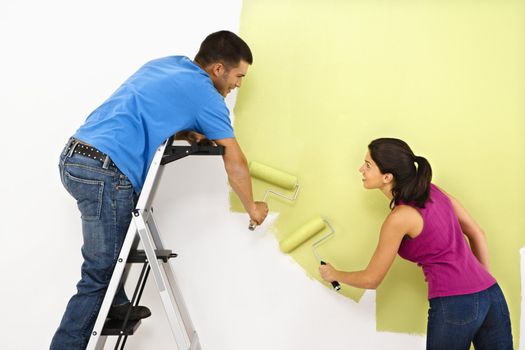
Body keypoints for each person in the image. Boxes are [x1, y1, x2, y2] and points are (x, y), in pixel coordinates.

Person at [50, 30, 269, 350]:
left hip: (77, 156)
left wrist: (190, 134)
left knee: (115, 249)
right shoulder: (206, 95)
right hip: (104, 171)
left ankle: (117, 302)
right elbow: (234, 159)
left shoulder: (169, 64)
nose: (239, 85)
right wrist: (252, 207)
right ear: (218, 69)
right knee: (99, 274)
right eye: (238, 76)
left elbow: (153, 111)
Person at [319, 138, 513, 350]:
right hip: (492, 294)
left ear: (387, 177)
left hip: (454, 303)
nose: (361, 169)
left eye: (368, 165)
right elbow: (477, 232)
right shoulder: (434, 191)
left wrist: (335, 274)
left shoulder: (400, 218)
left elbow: (371, 279)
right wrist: (480, 287)